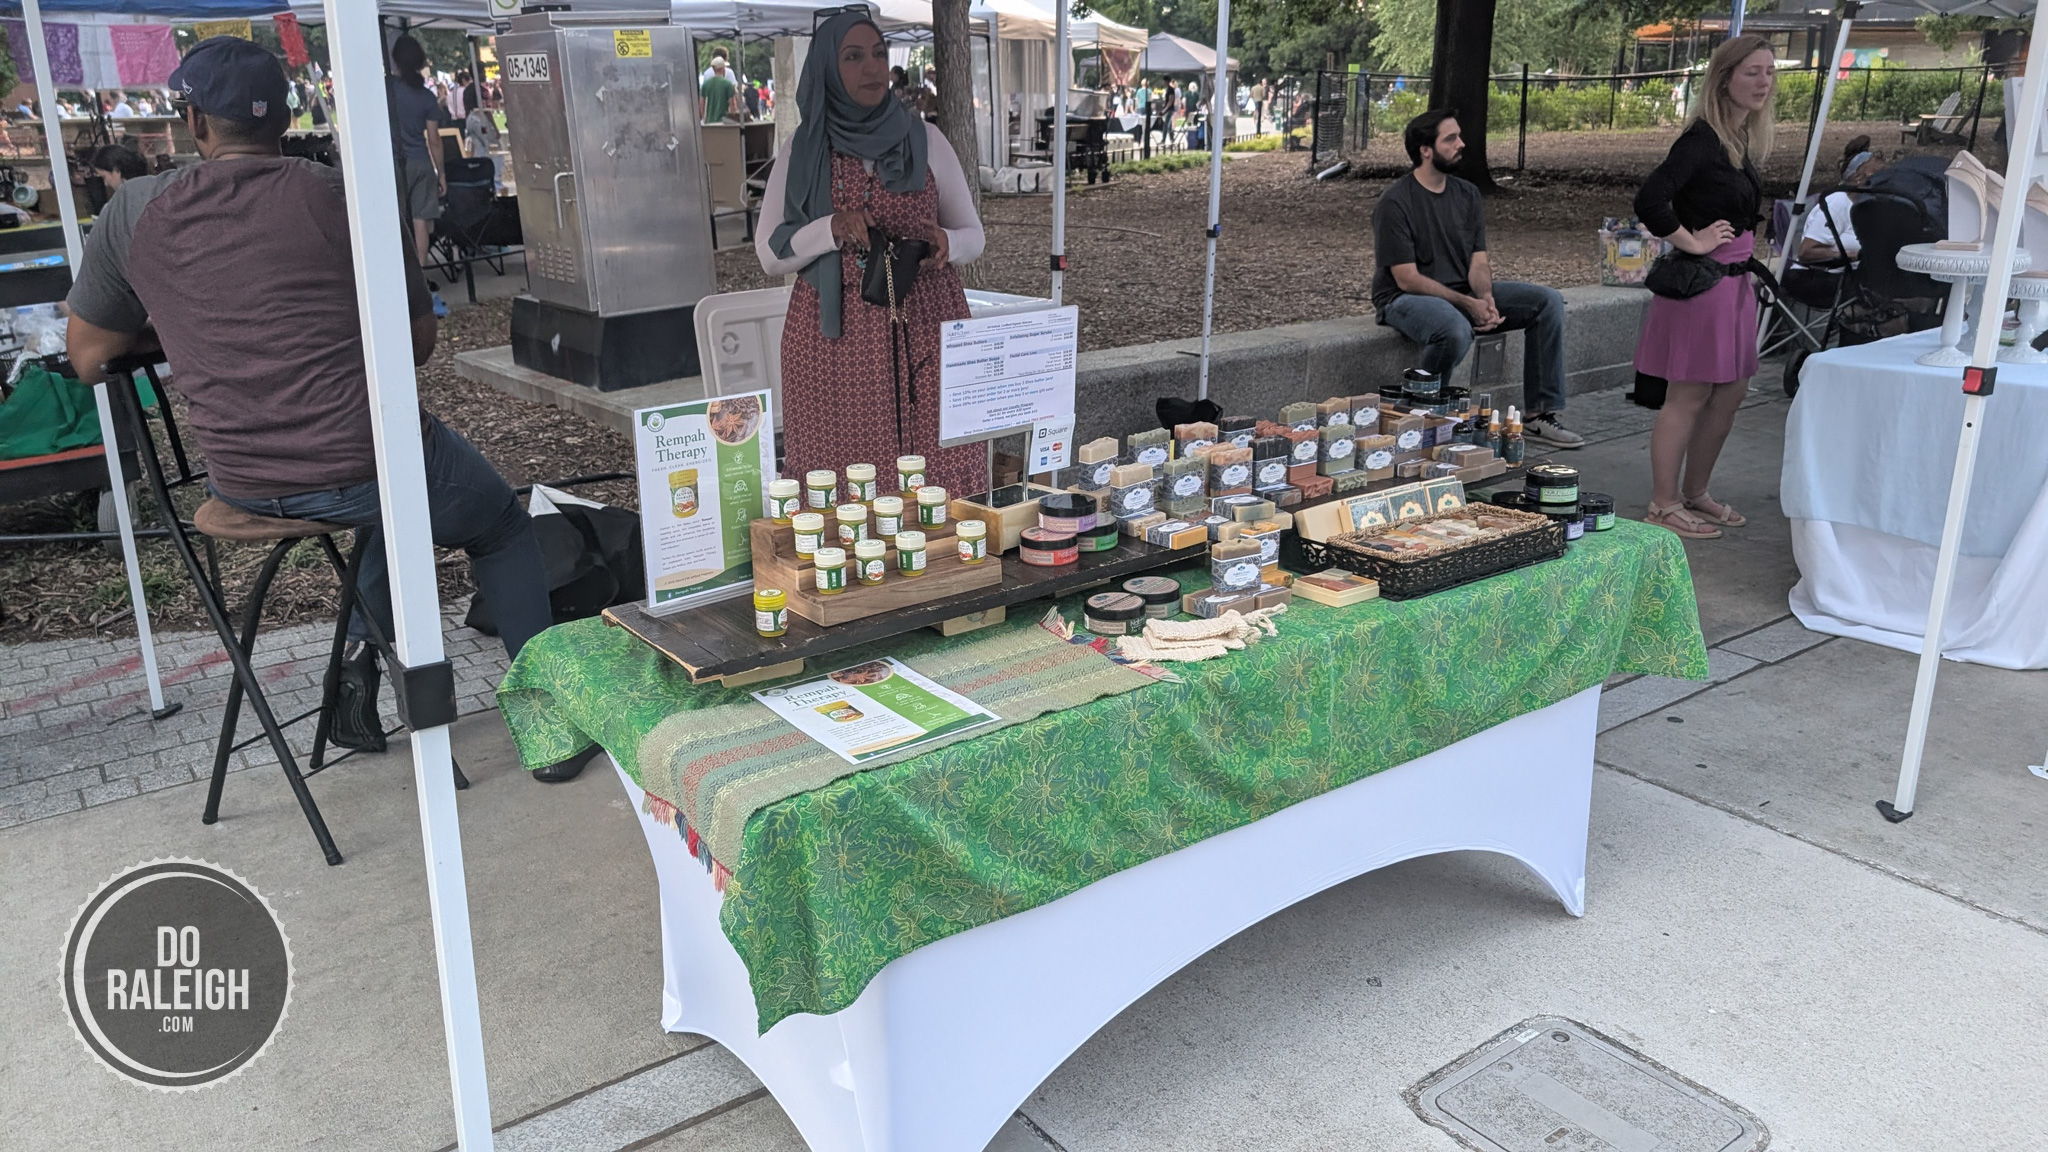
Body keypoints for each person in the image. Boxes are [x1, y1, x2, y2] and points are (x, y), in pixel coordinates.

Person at [61, 37, 579, 778]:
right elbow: (418, 343)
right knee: (496, 525)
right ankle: (550, 725)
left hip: (243, 478)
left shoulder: (135, 210)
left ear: (194, 122)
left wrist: (187, 322)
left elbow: (88, 359)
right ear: (286, 117)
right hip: (365, 461)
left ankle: (362, 656)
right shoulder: (345, 195)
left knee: (380, 506)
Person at [757, 10, 987, 499]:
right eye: (853, 56)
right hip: (834, 346)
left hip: (929, 328)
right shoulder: (802, 150)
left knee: (940, 466)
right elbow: (770, 253)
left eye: (879, 54)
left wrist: (949, 243)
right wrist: (831, 228)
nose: (872, 67)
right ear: (826, 68)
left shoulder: (926, 140)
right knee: (844, 479)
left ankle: (947, 548)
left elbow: (974, 235)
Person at [1630, 34, 1774, 540]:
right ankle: (1663, 503)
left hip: (1733, 287)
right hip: (1703, 288)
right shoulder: (1702, 139)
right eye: (1752, 71)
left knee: (1730, 392)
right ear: (1724, 77)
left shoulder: (1736, 139)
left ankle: (1694, 491)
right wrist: (1692, 241)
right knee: (1688, 396)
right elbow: (1650, 199)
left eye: (1769, 72)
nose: (1763, 81)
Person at [1371, 109, 1581, 449]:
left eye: (1459, 136)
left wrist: (1485, 298)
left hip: (1462, 291)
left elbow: (1478, 261)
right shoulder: (1395, 202)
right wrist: (1467, 304)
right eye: (1450, 139)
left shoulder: (1467, 194)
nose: (1462, 144)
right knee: (1453, 329)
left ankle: (1539, 415)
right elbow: (1407, 278)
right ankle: (1424, 416)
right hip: (1404, 298)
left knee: (1547, 302)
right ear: (1426, 150)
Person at [386, 35, 447, 313]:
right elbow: (434, 139)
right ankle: (420, 277)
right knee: (421, 220)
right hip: (421, 162)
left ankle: (398, 272)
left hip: (392, 162)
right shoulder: (427, 96)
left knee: (397, 218)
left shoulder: (387, 88)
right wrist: (441, 172)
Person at [701, 53, 738, 123]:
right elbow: (733, 105)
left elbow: (701, 103)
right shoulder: (728, 84)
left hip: (709, 122)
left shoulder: (705, 84)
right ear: (723, 68)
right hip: (723, 122)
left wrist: (703, 118)